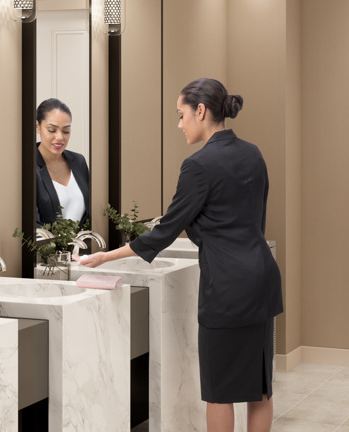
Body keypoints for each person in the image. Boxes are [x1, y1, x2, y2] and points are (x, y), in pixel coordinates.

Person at [79, 78, 283, 432]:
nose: (179, 124)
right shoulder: (253, 153)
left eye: (181, 115)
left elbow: (164, 231)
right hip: (262, 279)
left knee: (220, 391)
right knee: (259, 389)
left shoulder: (198, 166)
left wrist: (103, 257)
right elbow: (256, 220)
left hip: (227, 290)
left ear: (201, 111)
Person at [35, 98, 90, 228]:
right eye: (52, 130)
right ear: (38, 127)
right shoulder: (26, 167)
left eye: (66, 131)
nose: (60, 137)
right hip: (43, 247)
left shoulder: (79, 161)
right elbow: (31, 226)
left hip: (83, 247)